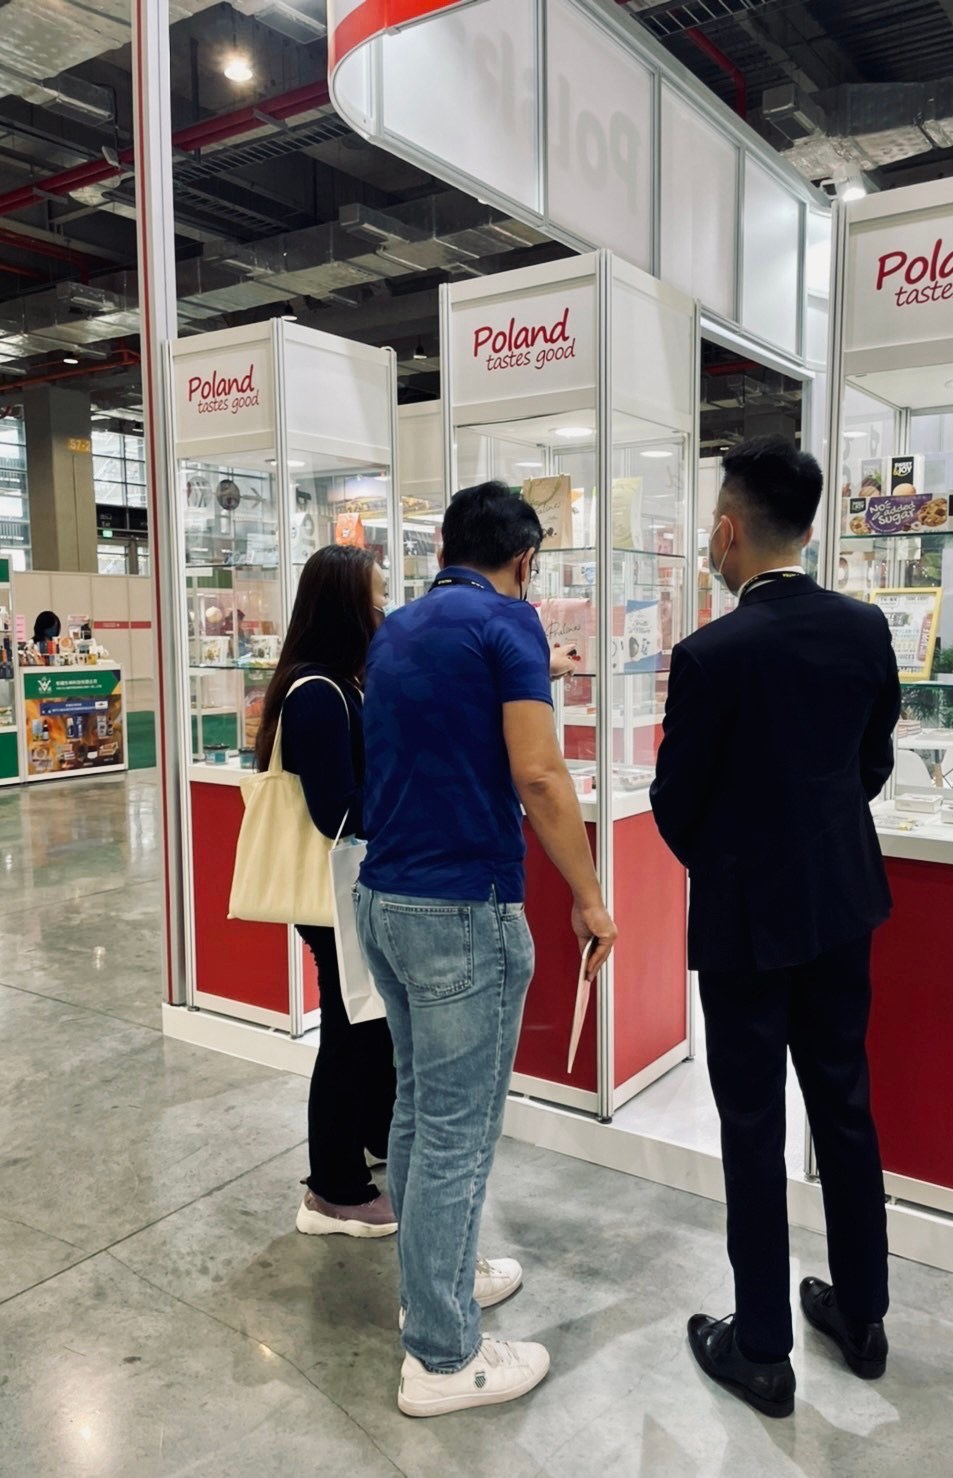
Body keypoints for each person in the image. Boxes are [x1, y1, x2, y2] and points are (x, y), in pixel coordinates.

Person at [650, 436, 901, 1419]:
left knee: (752, 1123)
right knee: (844, 1102)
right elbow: (870, 760)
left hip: (746, 917)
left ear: (729, 529)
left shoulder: (710, 653)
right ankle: (863, 1316)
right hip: (842, 900)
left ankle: (761, 1348)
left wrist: (737, 857)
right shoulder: (864, 627)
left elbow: (676, 802)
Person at [356, 481, 617, 1419]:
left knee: (419, 1111)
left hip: (384, 899)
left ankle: (436, 1283)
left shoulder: (396, 629)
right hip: (462, 907)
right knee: (457, 1134)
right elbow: (539, 774)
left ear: (444, 549)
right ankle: (443, 1354)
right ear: (525, 559)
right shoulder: (511, 627)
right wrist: (590, 898)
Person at [254, 545, 398, 1239]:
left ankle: (370, 1139)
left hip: (351, 886)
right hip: (332, 888)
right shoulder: (317, 692)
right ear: (346, 605)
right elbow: (336, 811)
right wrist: (405, 798)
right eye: (376, 596)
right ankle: (332, 1191)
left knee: (368, 1024)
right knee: (348, 1032)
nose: (384, 608)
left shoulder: (343, 683)